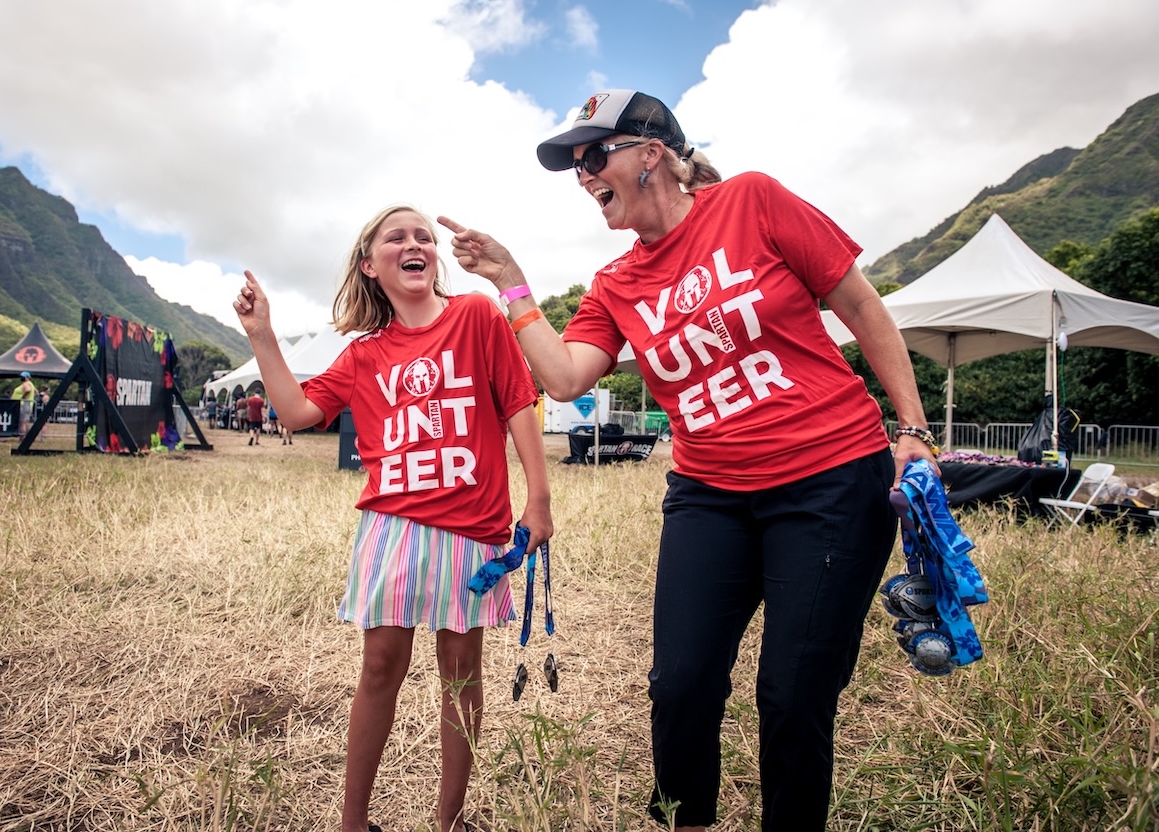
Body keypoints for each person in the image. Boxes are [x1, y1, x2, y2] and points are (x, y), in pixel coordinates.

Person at [441, 89, 939, 832]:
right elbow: (567, 377)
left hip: (831, 479)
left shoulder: (752, 202)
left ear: (652, 154)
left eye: (593, 156)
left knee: (793, 694)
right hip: (709, 493)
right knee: (680, 684)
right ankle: (688, 822)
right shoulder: (616, 283)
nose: (583, 176)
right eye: (574, 166)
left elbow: (861, 306)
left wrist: (914, 428)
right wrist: (510, 279)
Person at [232, 204, 553, 832]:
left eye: (424, 238)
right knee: (380, 666)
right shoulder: (364, 354)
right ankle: (353, 822)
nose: (416, 245)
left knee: (461, 672)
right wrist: (261, 335)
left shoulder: (477, 316)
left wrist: (537, 500)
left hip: (472, 530)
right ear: (370, 265)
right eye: (396, 237)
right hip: (393, 529)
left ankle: (449, 822)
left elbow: (518, 402)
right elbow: (296, 412)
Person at [10, 371, 36, 436]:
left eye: (23, 377)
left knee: (22, 422)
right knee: (26, 422)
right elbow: (36, 391)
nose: (21, 378)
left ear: (27, 377)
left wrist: (23, 396)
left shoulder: (26, 384)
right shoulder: (31, 384)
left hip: (24, 404)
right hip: (29, 404)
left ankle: (22, 438)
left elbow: (28, 390)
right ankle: (28, 436)